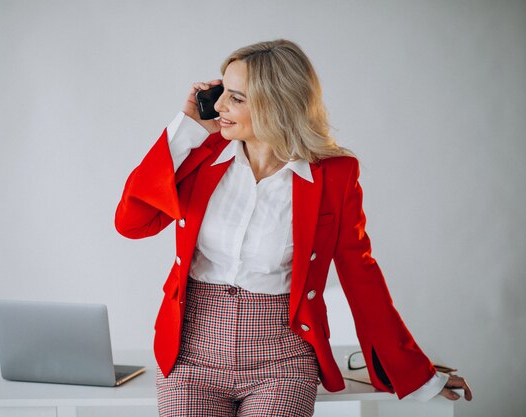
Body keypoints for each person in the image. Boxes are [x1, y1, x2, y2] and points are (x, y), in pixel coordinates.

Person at [115, 39, 472, 417]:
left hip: (281, 363)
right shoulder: (201, 157)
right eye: (222, 92)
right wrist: (184, 130)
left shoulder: (334, 175)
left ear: (276, 105)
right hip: (191, 356)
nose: (218, 105)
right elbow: (132, 223)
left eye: (235, 98)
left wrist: (416, 372)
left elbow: (361, 275)